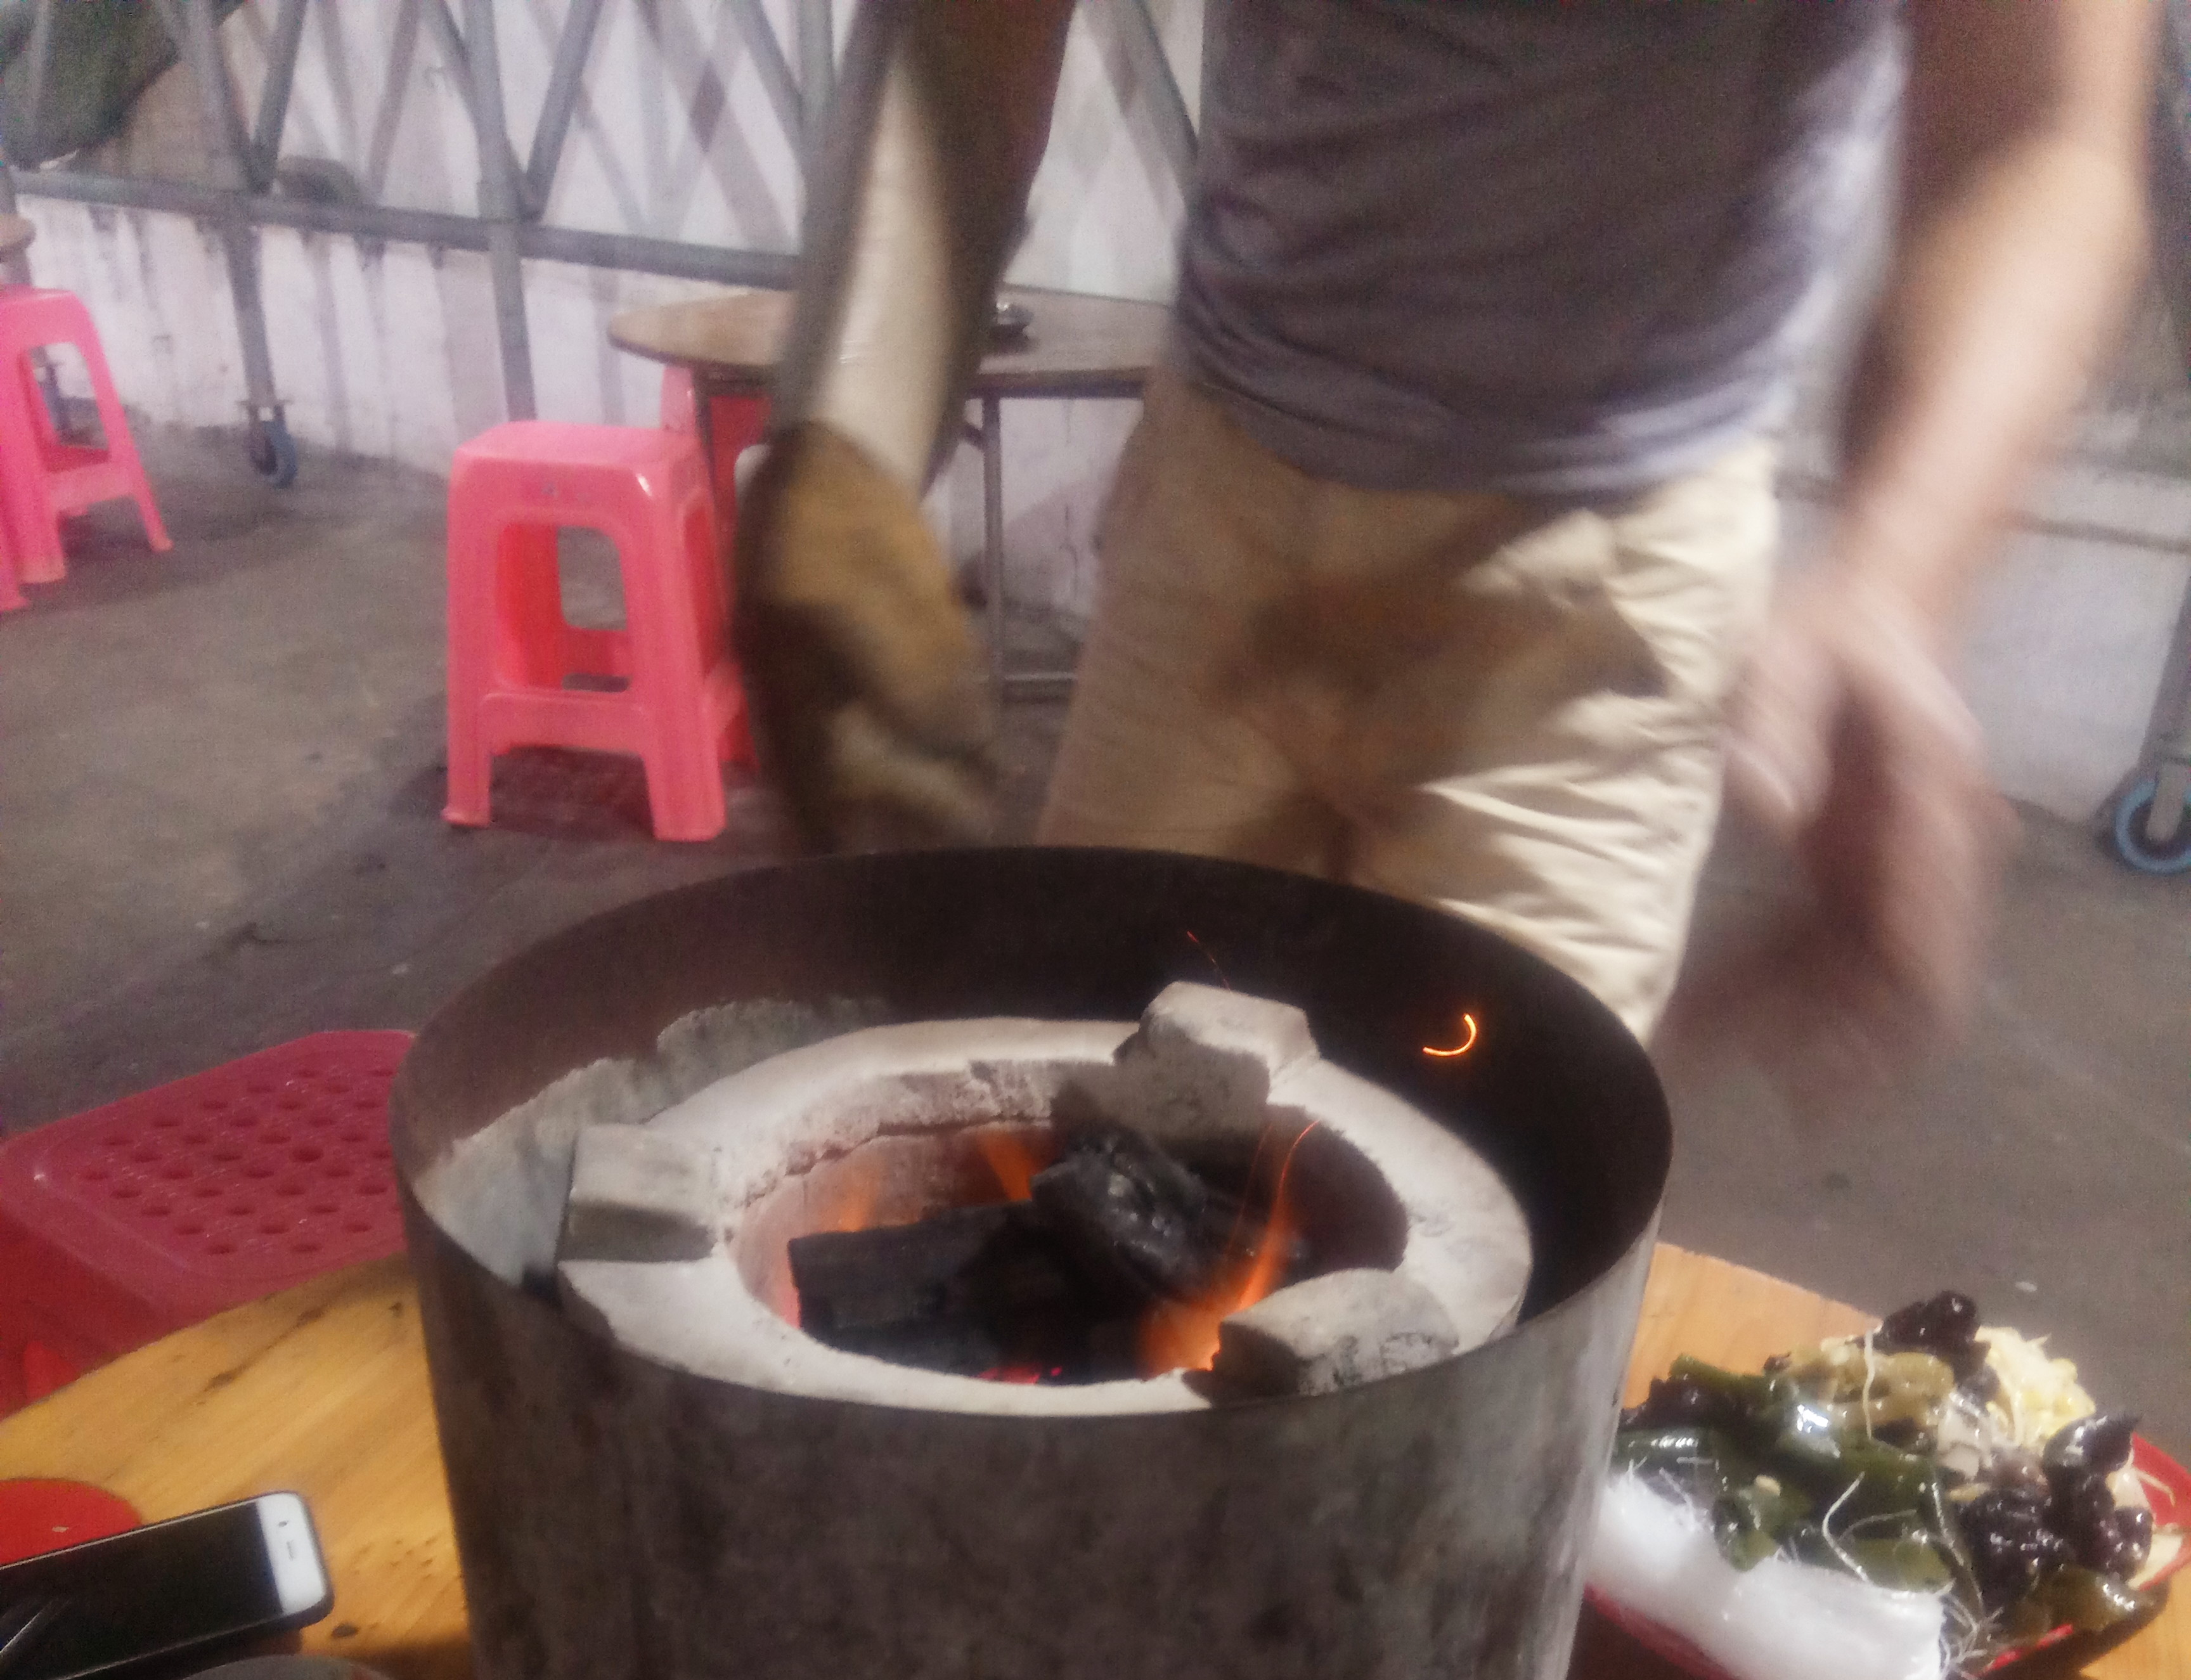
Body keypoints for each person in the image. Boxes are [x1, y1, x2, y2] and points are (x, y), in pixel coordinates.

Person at [732, 0, 2156, 1066]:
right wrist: (845, 449)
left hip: (1589, 603)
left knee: (1489, 1238)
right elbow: (964, 31)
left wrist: (1896, 586)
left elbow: (2040, 131)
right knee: (1078, 1113)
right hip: (1215, 505)